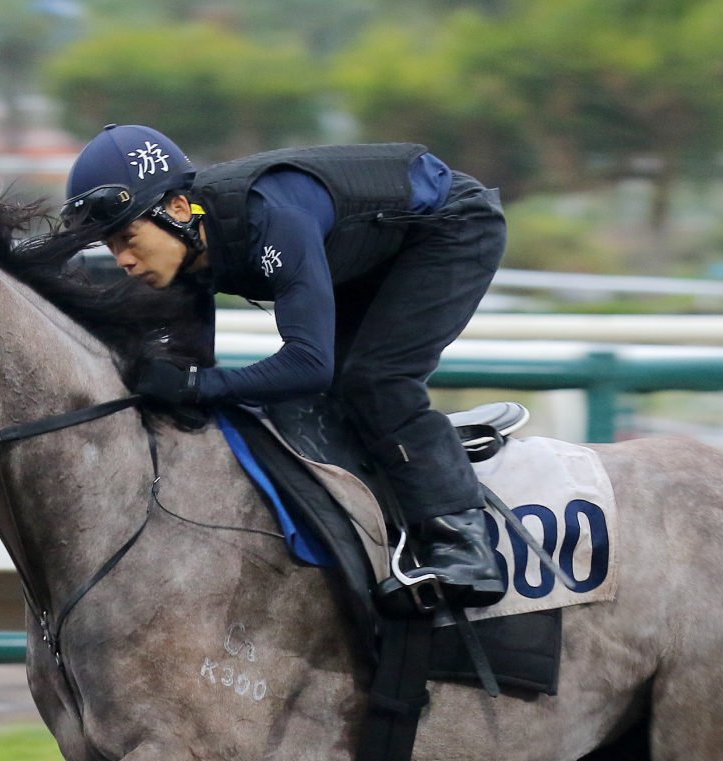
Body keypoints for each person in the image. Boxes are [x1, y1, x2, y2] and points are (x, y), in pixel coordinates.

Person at [60, 123, 508, 607]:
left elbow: (308, 364)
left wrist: (193, 384)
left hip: (450, 226)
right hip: (367, 248)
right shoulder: (185, 246)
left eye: (128, 237)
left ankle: (465, 549)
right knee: (315, 403)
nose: (122, 260)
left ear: (176, 209)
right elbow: (193, 378)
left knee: (375, 380)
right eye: (110, 246)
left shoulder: (270, 218)